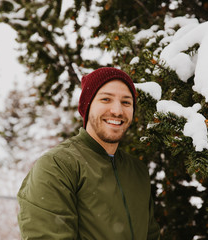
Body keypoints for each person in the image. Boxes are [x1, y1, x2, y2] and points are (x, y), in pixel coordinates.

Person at [17, 67, 160, 240]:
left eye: (126, 102)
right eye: (106, 99)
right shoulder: (57, 165)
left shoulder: (137, 171)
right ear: (88, 106)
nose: (117, 110)